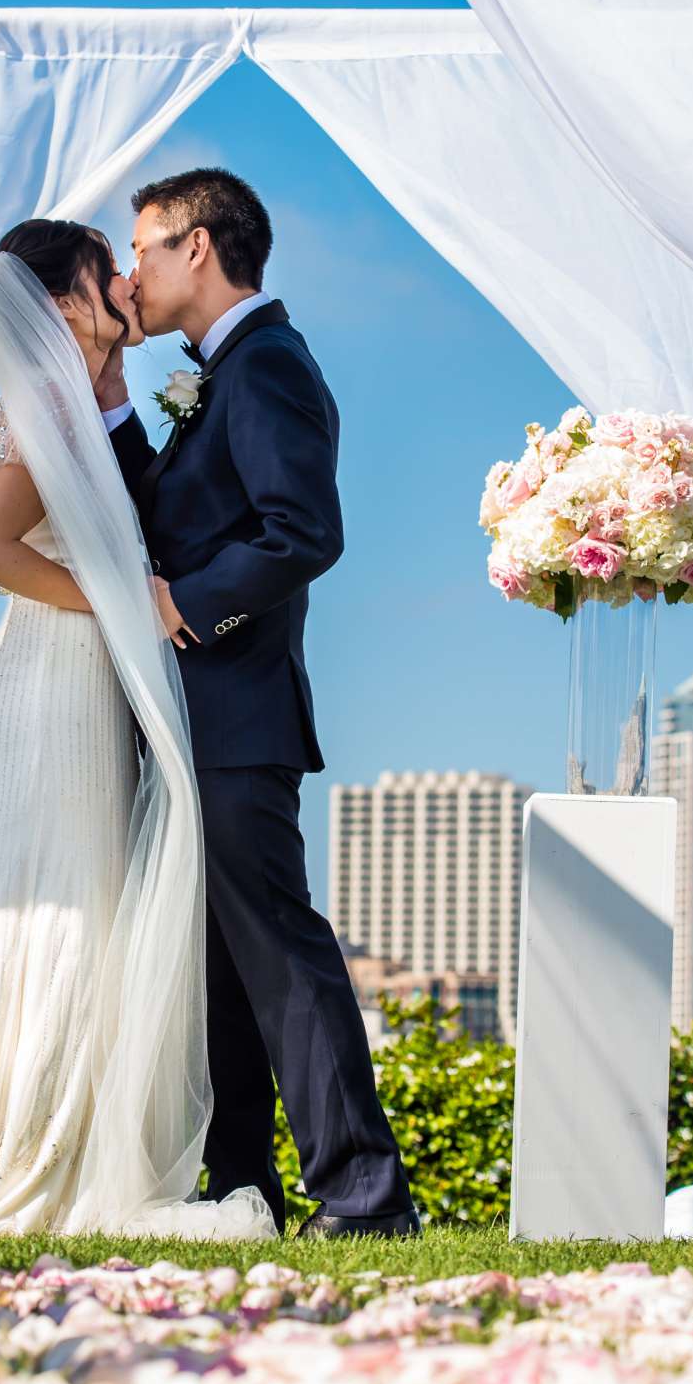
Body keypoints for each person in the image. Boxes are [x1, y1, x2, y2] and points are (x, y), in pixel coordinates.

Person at [0, 219, 273, 1240]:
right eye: (104, 268)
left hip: (86, 679)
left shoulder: (85, 400)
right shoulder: (40, 403)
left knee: (89, 895)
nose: (126, 280)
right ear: (68, 299)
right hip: (49, 682)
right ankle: (15, 1154)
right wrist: (123, 599)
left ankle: (50, 1139)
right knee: (57, 902)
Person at [99, 168, 418, 1238]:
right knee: (222, 969)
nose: (127, 270)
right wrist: (108, 407)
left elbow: (302, 532)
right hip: (199, 716)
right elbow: (181, 513)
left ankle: (364, 1195)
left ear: (198, 247)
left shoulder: (270, 363)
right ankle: (243, 1187)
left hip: (238, 712)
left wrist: (185, 606)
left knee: (277, 951)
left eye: (140, 247)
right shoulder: (212, 376)